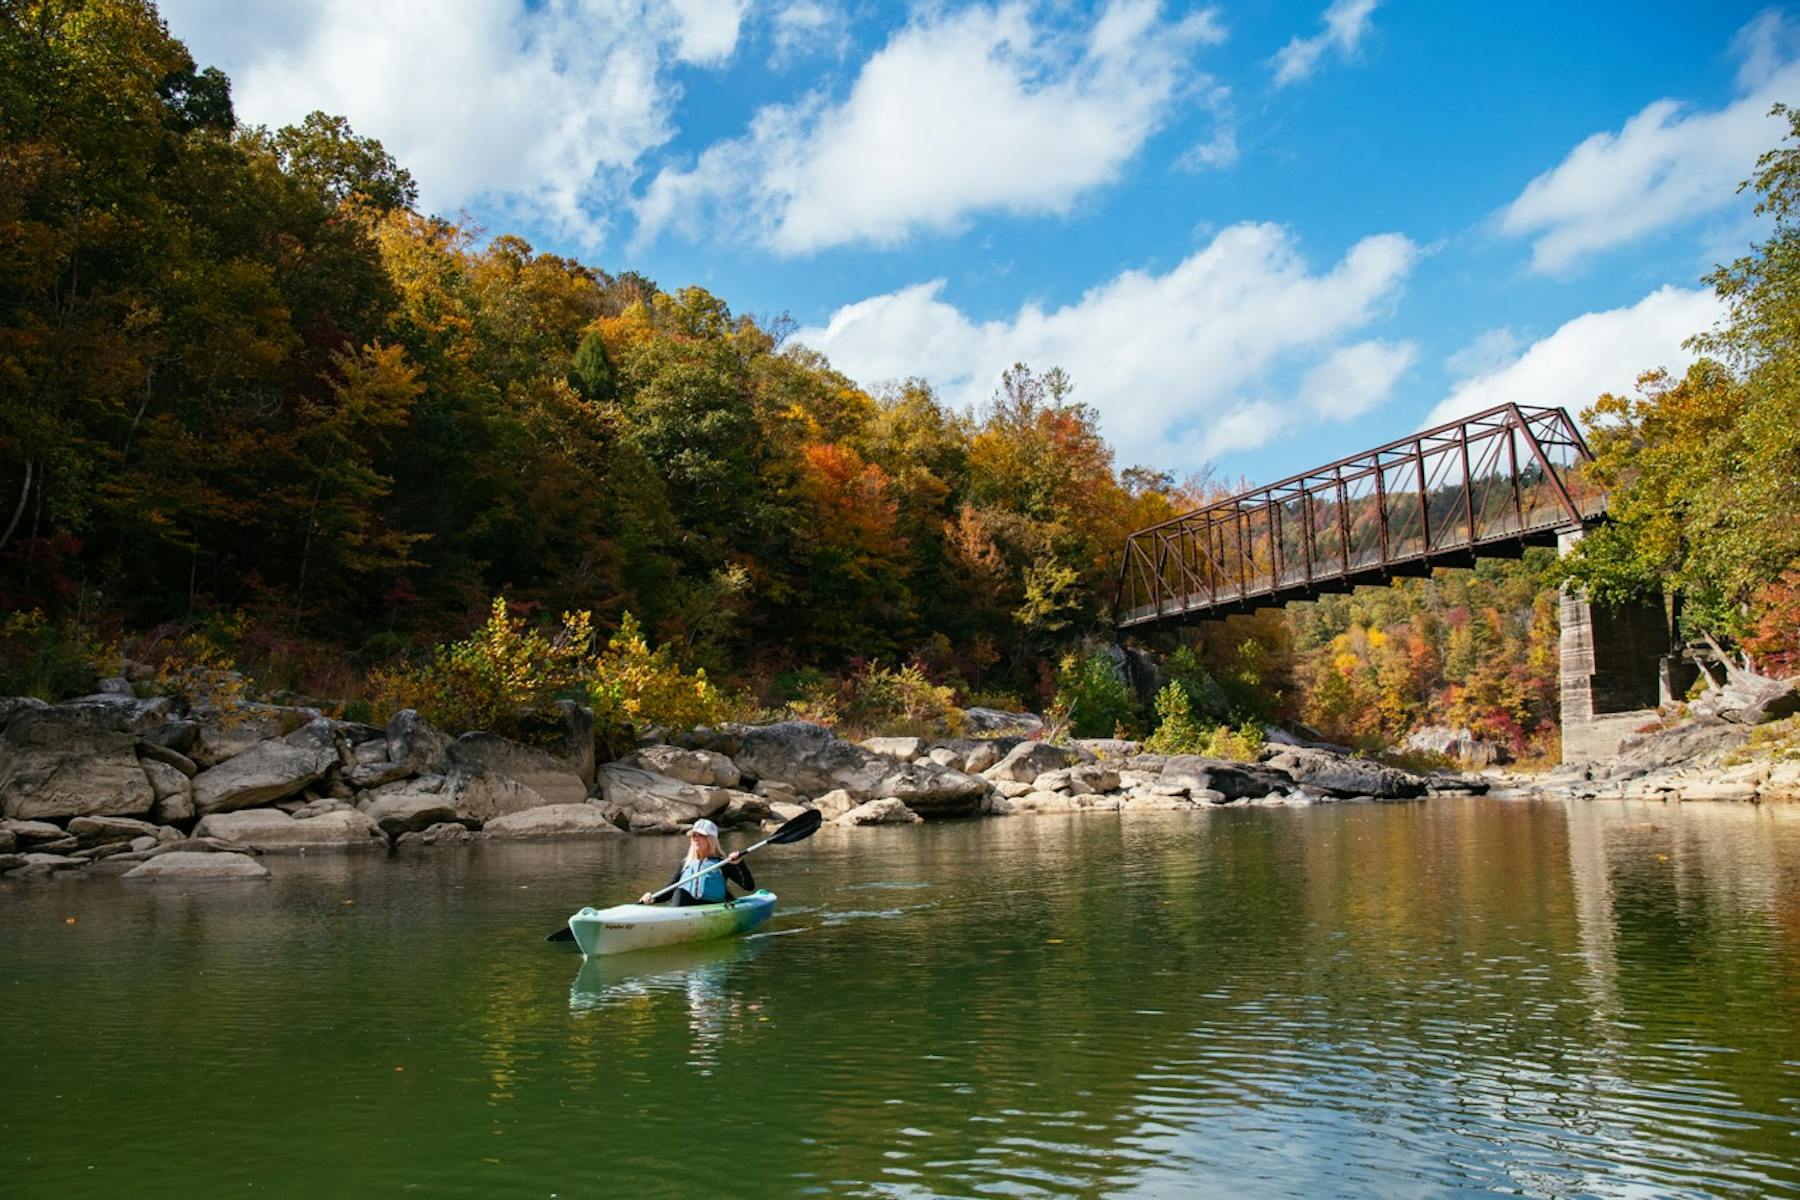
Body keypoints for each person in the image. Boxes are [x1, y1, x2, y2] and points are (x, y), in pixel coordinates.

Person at [639, 818, 754, 906]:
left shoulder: (723, 863)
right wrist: (653, 897)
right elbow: (671, 889)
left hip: (713, 906)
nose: (695, 838)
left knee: (680, 893)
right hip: (688, 906)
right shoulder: (685, 863)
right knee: (679, 892)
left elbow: (749, 886)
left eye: (701, 835)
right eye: (694, 835)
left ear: (711, 839)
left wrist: (739, 864)